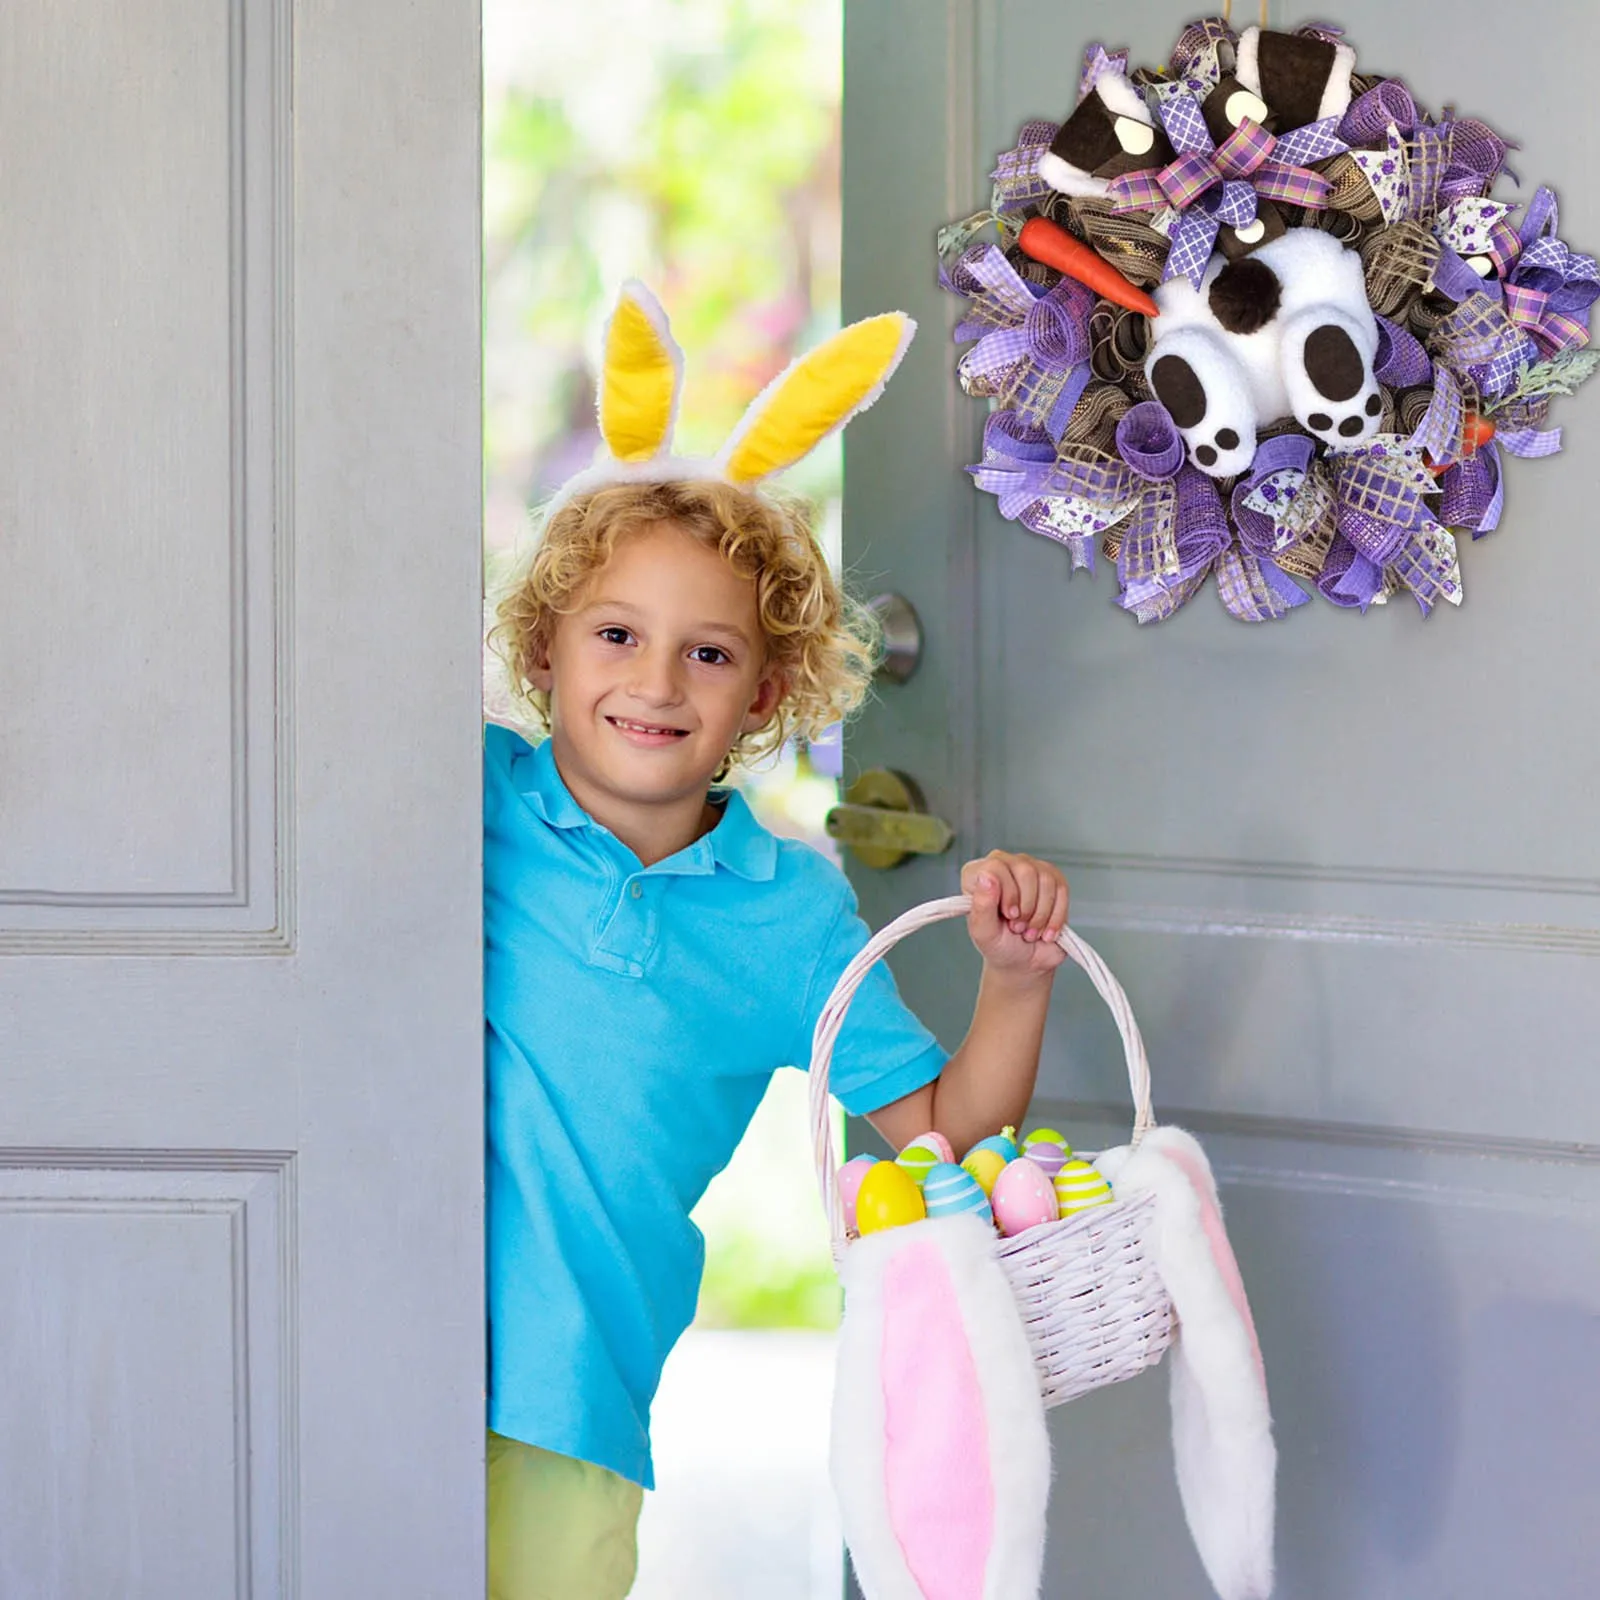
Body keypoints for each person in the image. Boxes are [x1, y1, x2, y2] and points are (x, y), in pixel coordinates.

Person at [482, 285, 1070, 1600]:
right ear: (545, 648)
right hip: (366, 1336)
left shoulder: (789, 915)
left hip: (574, 1392)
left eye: (708, 654)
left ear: (767, 690)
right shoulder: (469, 798)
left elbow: (940, 1133)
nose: (654, 682)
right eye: (616, 635)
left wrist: (1015, 981)